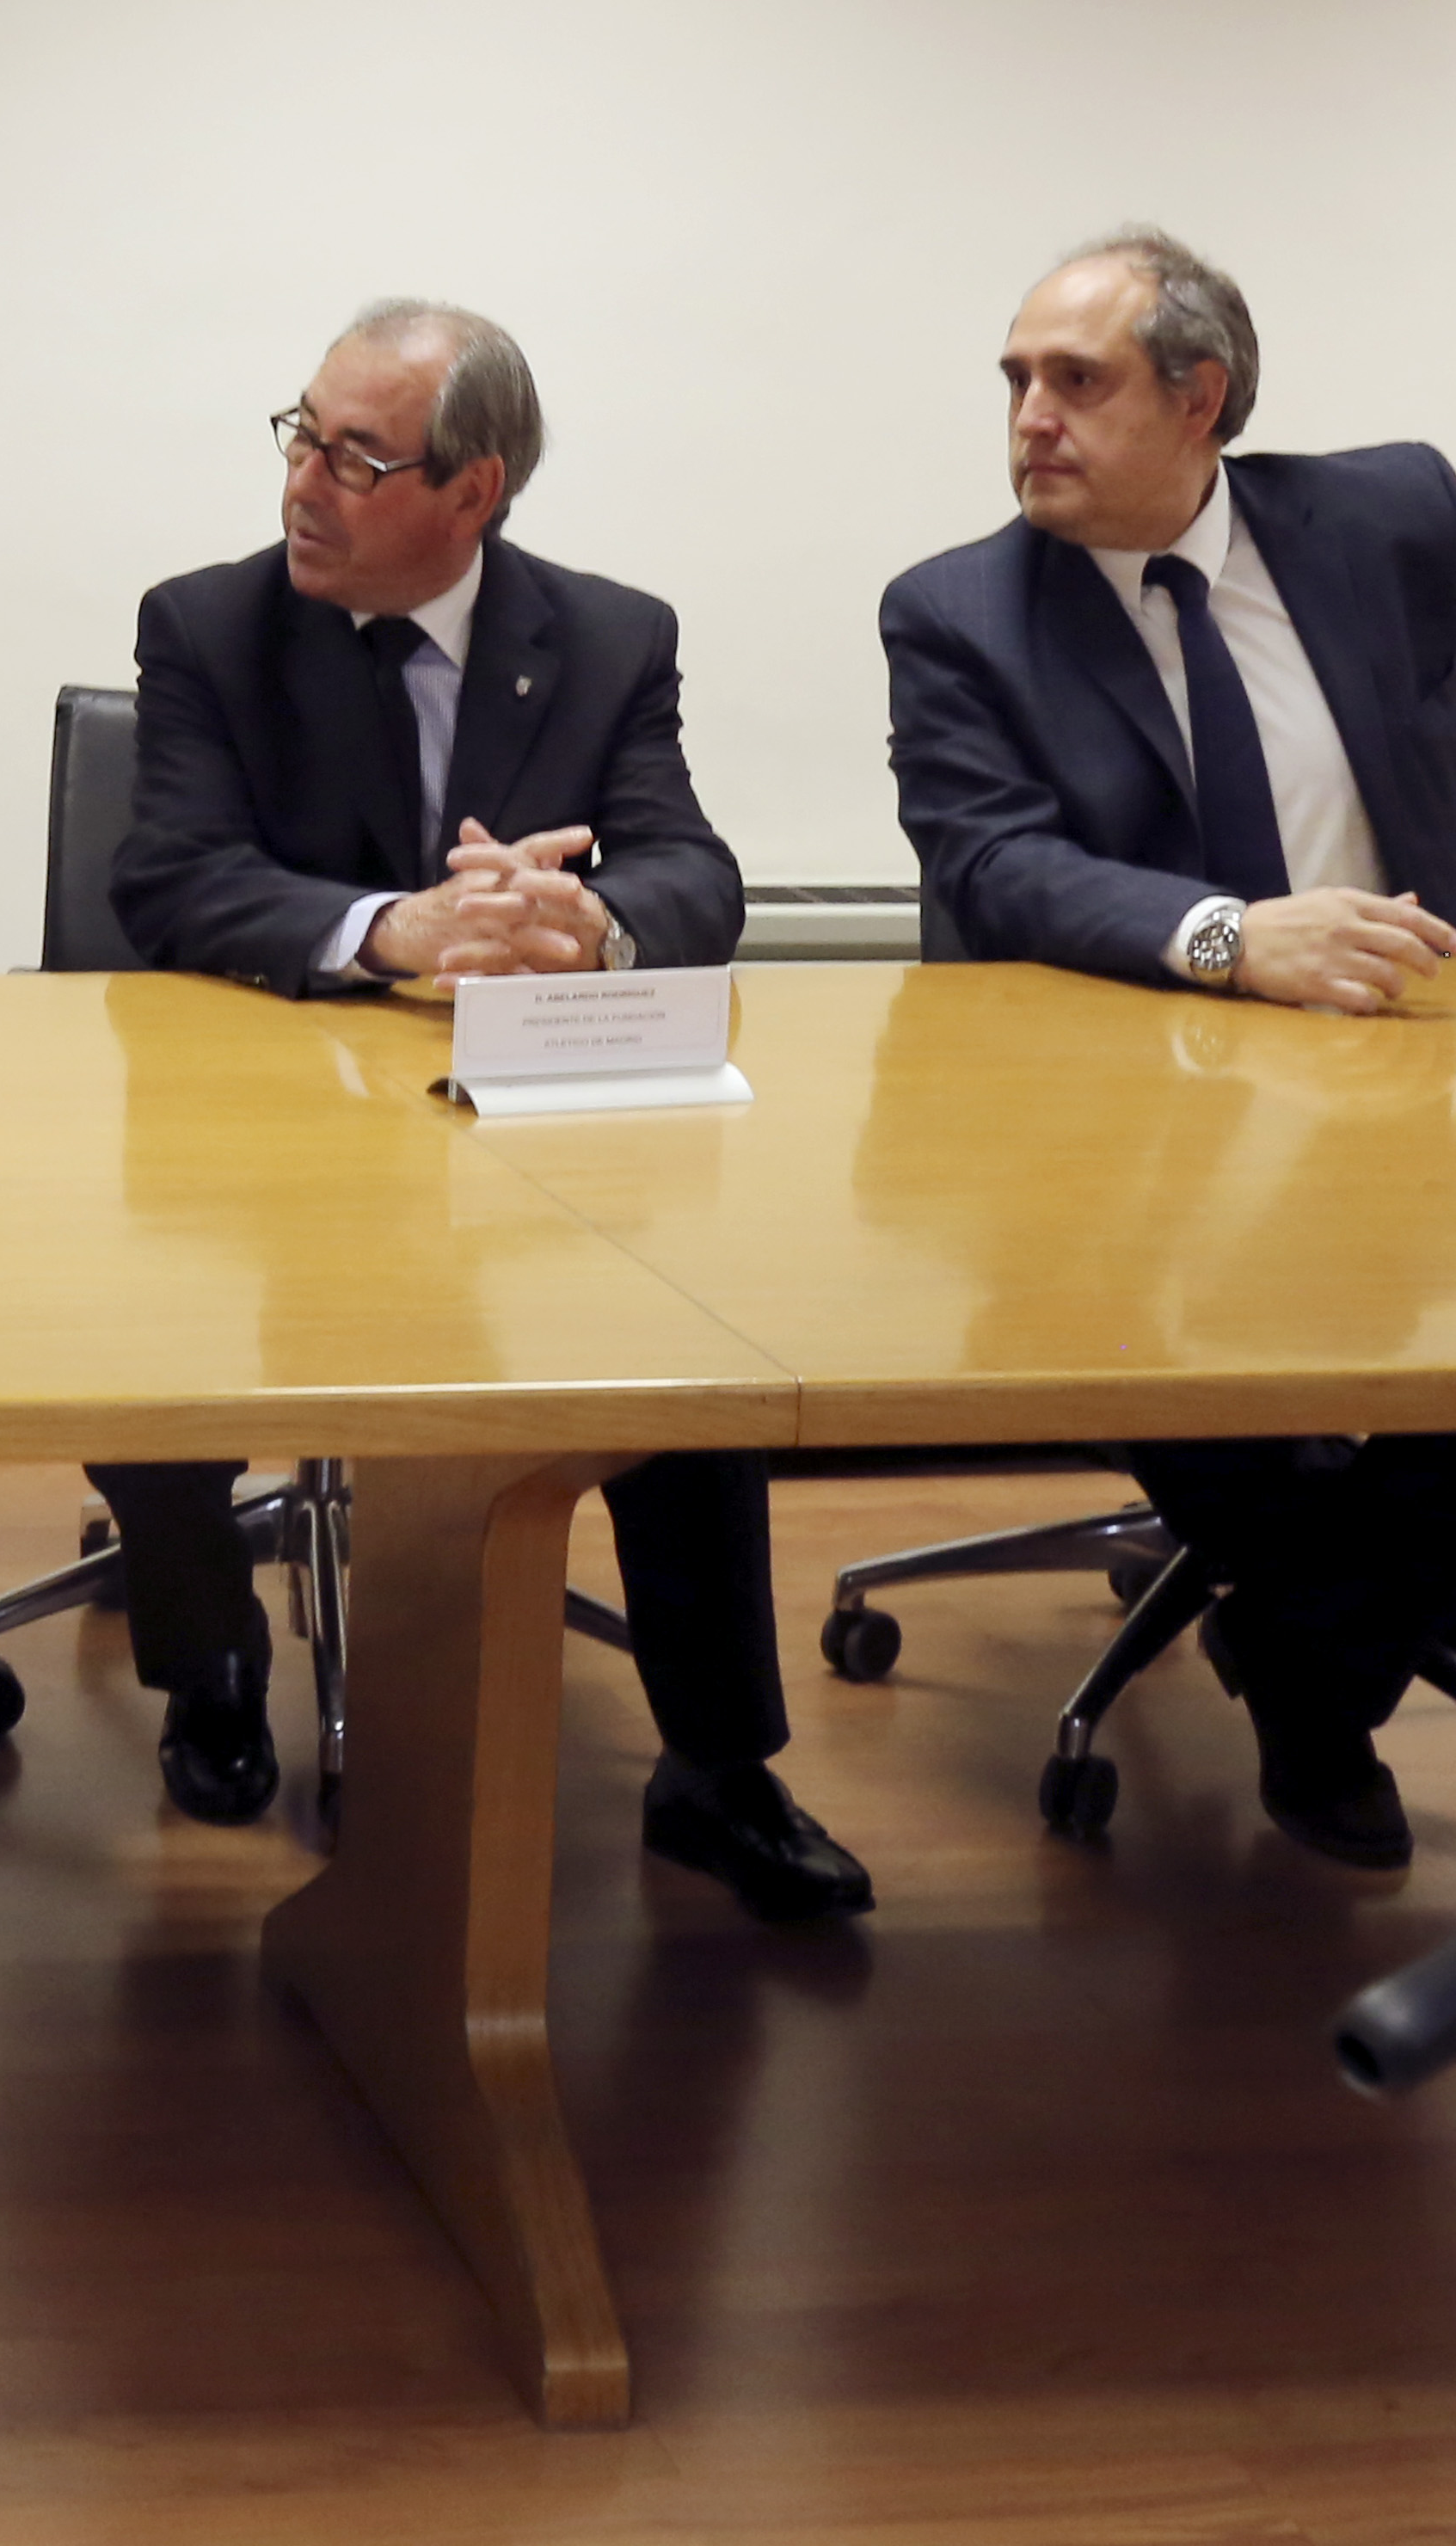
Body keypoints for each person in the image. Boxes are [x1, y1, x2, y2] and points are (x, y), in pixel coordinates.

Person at [108, 299, 869, 1921]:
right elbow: (171, 877)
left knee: (685, 1347)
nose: (303, 483)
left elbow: (694, 869)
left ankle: (717, 1764)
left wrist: (590, 927)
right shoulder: (210, 626)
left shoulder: (608, 637)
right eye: (300, 436)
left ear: (474, 492)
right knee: (137, 1318)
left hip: (518, 1140)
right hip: (262, 1120)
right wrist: (395, 929)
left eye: (355, 457)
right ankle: (212, 1664)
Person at [882, 227, 1456, 1867]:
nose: (1031, 418)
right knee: (1191, 1356)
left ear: (1201, 399)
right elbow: (992, 862)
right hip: (1126, 1123)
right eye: (1017, 381)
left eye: (1079, 380)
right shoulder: (960, 612)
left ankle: (1303, 1628)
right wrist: (1229, 935)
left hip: (1403, 1068)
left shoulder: (1395, 517)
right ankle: (1318, 1690)